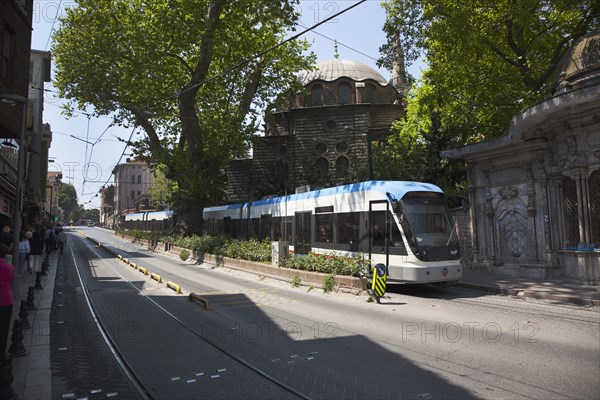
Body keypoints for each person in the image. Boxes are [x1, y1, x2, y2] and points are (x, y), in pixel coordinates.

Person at [0, 243, 14, 362]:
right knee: (4, 329)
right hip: (5, 301)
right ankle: (2, 354)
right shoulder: (9, 267)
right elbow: (10, 281)